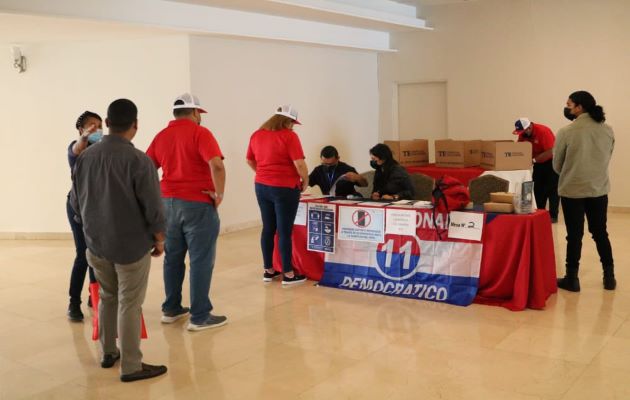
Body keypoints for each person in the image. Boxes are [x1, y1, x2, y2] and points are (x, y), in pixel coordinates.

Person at [71, 99, 167, 382]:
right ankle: (132, 366)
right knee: (129, 302)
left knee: (107, 296)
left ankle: (107, 352)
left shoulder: (85, 158)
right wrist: (159, 240)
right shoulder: (139, 161)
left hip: (97, 244)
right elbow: (153, 208)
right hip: (131, 246)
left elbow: (76, 203)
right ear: (135, 126)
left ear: (108, 124)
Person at [146, 93, 227, 332]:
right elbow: (217, 165)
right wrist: (219, 195)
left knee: (173, 257)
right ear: (194, 113)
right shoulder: (201, 133)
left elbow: (148, 167)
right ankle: (200, 315)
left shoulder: (161, 135)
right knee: (201, 260)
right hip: (197, 204)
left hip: (166, 203)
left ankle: (171, 309)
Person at [553, 90, 615, 292]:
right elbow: (607, 156)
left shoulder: (566, 132)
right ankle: (609, 277)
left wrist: (573, 172)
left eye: (569, 105)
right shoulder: (607, 130)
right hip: (599, 189)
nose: (567, 108)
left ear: (579, 107)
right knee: (600, 233)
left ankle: (572, 279)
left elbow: (557, 165)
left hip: (572, 191)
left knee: (574, 235)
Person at [246, 105, 308, 285]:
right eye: (292, 123)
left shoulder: (257, 134)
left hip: (261, 186)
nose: (293, 127)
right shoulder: (289, 136)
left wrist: (263, 173)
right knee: (284, 231)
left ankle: (268, 270)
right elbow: (300, 164)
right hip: (285, 188)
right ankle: (288, 274)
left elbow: (249, 159)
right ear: (287, 121)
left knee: (267, 228)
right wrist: (305, 180)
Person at [66, 111, 102, 321]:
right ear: (81, 129)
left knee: (97, 255)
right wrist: (85, 137)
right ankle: (73, 303)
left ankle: (94, 297)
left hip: (97, 209)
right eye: (91, 126)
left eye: (98, 125)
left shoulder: (102, 149)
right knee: (83, 254)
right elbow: (77, 148)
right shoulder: (75, 148)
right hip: (77, 208)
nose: (96, 129)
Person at [513, 117, 559, 223]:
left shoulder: (543, 131)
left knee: (553, 190)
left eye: (523, 131)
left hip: (551, 162)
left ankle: (553, 215)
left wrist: (533, 160)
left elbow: (551, 151)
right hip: (538, 162)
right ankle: (540, 212)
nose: (521, 134)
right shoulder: (523, 134)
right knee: (538, 189)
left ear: (529, 127)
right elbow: (520, 149)